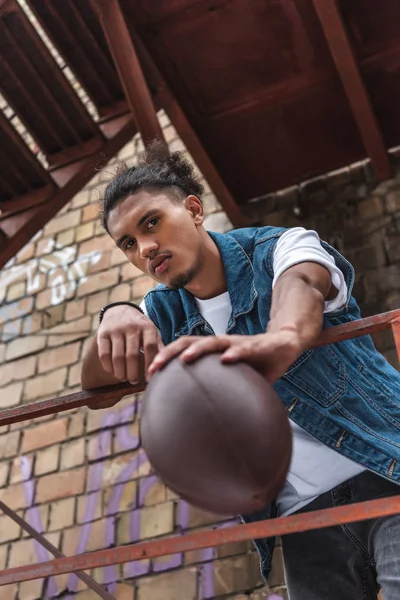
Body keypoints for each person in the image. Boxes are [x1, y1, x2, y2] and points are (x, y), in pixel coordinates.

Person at [81, 141, 400, 600]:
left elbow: (305, 282)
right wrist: (112, 314)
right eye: (129, 243)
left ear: (193, 209)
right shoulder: (160, 312)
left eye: (151, 222)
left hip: (385, 471)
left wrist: (281, 340)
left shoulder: (281, 247)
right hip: (304, 519)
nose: (146, 248)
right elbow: (98, 386)